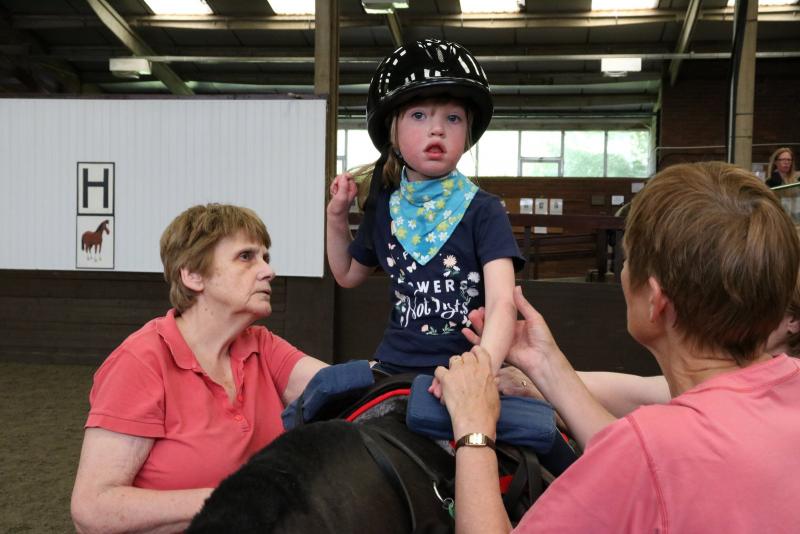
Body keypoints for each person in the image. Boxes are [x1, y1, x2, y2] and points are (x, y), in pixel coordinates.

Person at [436, 162, 800, 533]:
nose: (625, 274)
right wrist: (544, 362)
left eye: (629, 261)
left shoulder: (649, 453)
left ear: (656, 300)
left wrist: (474, 428)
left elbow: (648, 463)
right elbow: (659, 470)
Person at [70, 204, 328, 533]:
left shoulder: (261, 345)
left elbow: (335, 385)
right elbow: (92, 509)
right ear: (193, 275)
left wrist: (401, 378)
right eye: (246, 257)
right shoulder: (141, 361)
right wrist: (231, 498)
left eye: (266, 257)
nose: (268, 270)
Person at [326, 39, 522, 376]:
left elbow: (503, 302)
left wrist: (481, 369)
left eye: (453, 118)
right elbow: (346, 275)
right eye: (419, 115)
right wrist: (336, 216)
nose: (437, 128)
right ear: (393, 131)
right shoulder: (386, 202)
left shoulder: (484, 210)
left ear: (467, 132)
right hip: (394, 363)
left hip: (466, 366)